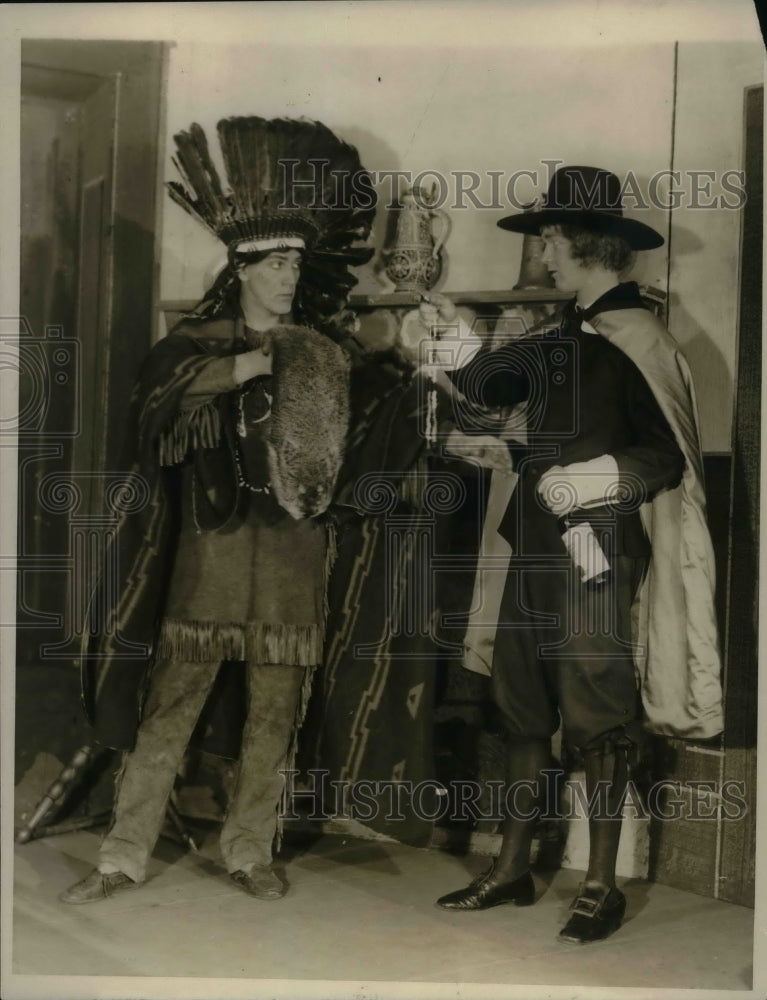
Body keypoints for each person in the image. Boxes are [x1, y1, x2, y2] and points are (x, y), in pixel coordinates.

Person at [60, 116, 375, 904]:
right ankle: (122, 855)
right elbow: (151, 417)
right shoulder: (194, 347)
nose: (287, 279)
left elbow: (351, 446)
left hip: (293, 559)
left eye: (296, 265)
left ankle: (247, 850)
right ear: (241, 268)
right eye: (273, 265)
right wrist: (238, 368)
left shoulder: (323, 350)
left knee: (276, 714)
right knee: (169, 711)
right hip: (211, 555)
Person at [431, 165, 723, 943]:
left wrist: (594, 479)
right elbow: (494, 408)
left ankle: (599, 883)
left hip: (596, 558)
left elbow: (665, 457)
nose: (543, 254)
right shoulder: (553, 338)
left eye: (552, 239)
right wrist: (453, 358)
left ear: (589, 245)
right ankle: (513, 868)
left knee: (597, 719)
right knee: (520, 712)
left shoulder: (642, 339)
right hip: (528, 551)